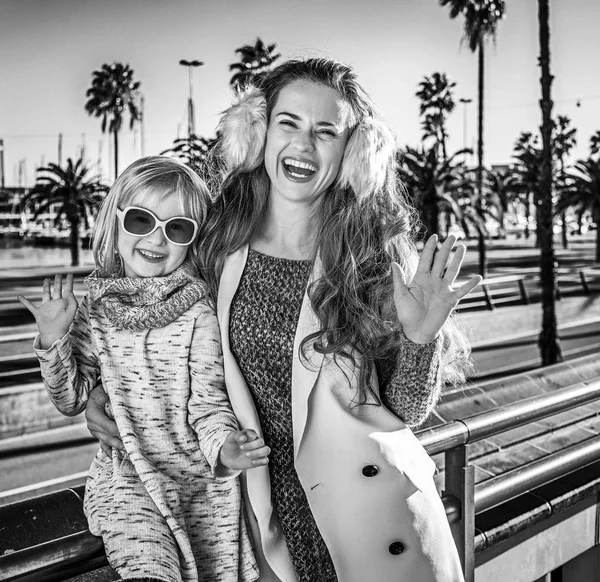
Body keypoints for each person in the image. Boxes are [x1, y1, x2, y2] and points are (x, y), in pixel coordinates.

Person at [87, 58, 481, 582]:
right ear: (258, 134)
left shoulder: (371, 258)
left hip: (373, 522)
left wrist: (420, 338)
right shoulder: (212, 246)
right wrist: (104, 391)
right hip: (258, 527)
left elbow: (403, 409)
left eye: (326, 132)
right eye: (288, 123)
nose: (303, 145)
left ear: (352, 152)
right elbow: (155, 339)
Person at [18, 156, 270, 582]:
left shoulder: (199, 313)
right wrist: (53, 338)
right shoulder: (93, 311)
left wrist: (226, 448)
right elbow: (71, 399)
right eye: (141, 220)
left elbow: (207, 403)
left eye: (177, 227)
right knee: (147, 570)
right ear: (116, 222)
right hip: (126, 481)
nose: (157, 237)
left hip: (197, 485)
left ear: (192, 239)